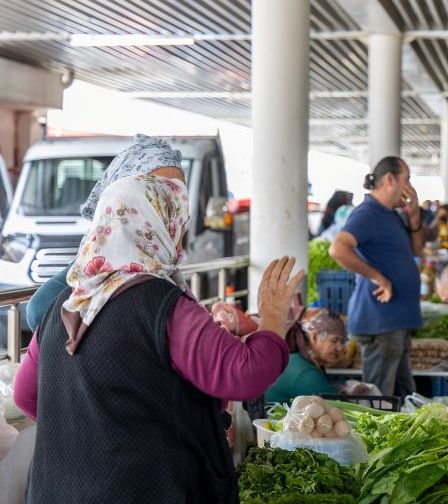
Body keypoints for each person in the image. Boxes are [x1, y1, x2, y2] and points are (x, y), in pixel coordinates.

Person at [14, 173, 305, 503]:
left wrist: (97, 433)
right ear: (155, 228)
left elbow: (26, 395)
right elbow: (244, 373)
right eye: (177, 228)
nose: (180, 245)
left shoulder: (65, 303)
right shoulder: (160, 304)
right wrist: (272, 319)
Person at [25, 134, 187, 331]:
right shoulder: (88, 275)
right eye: (156, 197)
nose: (175, 212)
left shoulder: (168, 275)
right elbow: (38, 312)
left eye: (178, 199)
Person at [329, 156, 423, 397]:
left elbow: (416, 251)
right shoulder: (368, 213)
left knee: (402, 398)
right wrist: (379, 278)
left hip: (396, 321)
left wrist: (413, 216)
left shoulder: (390, 214)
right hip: (381, 320)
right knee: (379, 401)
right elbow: (338, 248)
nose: (410, 186)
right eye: (407, 179)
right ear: (390, 179)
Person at [265, 308, 346, 403]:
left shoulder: (296, 360)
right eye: (334, 340)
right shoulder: (305, 373)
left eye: (342, 341)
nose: (340, 348)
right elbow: (338, 408)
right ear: (314, 337)